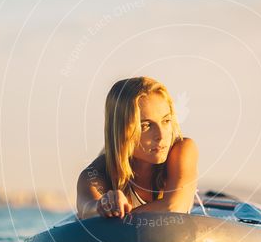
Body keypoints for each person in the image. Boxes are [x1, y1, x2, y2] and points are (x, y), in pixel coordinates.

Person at [76, 77, 199, 220]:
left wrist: (120, 219)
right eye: (145, 126)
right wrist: (102, 206)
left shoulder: (182, 149)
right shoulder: (97, 173)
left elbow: (174, 207)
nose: (161, 135)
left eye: (166, 121)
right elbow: (85, 209)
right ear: (121, 130)